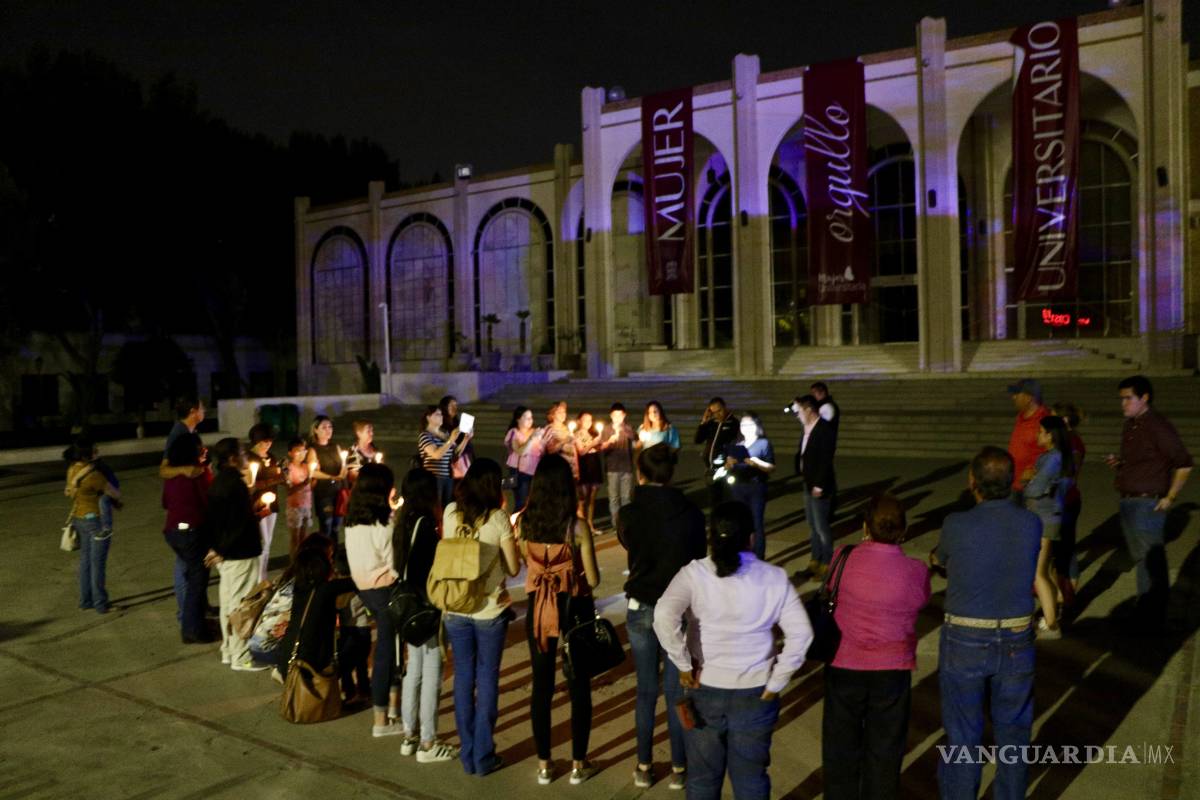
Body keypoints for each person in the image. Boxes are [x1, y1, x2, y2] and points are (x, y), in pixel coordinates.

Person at [654, 501, 813, 800]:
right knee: (751, 780)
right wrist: (777, 681)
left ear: (710, 536)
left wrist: (684, 664)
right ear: (751, 538)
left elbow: (663, 616)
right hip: (755, 692)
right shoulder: (774, 577)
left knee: (702, 780)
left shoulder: (693, 574)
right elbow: (801, 634)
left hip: (704, 687)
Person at [931, 447, 1041, 800]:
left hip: (965, 635)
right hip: (1016, 635)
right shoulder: (1030, 522)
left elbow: (941, 559)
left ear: (972, 481)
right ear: (1011, 483)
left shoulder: (956, 523)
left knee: (963, 734)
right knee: (1014, 735)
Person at [822, 494, 930, 800]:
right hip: (892, 668)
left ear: (866, 526)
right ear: (903, 530)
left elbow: (831, 590)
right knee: (885, 750)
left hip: (844, 662)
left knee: (840, 748)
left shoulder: (843, 555)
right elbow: (920, 601)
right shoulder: (916, 570)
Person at [618, 443, 707, 790]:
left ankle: (643, 764)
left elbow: (630, 545)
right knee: (675, 691)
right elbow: (698, 557)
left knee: (645, 690)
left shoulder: (629, 514)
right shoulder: (691, 513)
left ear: (641, 473)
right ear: (670, 473)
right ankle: (679, 768)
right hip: (677, 607)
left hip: (641, 604)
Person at [519, 455, 602, 785]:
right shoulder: (577, 527)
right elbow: (593, 579)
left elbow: (527, 565)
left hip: (539, 607)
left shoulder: (525, 523)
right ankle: (579, 764)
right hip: (574, 609)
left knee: (542, 687)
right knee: (579, 686)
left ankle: (544, 763)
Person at [442, 458, 520, 776]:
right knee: (487, 678)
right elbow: (514, 568)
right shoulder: (499, 518)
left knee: (463, 677)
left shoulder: (450, 512)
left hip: (455, 606)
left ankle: (468, 753)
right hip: (489, 608)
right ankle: (483, 755)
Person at [1105, 375, 1193, 631]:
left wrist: (1170, 497)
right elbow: (1144, 461)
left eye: (1128, 398)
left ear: (1145, 398)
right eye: (1121, 398)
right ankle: (1144, 613)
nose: (1123, 404)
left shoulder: (1157, 426)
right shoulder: (1132, 425)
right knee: (1142, 560)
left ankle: (1152, 619)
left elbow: (1184, 462)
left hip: (1147, 503)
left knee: (1151, 561)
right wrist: (1120, 464)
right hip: (1129, 501)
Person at [394, 468, 457, 763]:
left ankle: (410, 736)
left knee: (414, 670)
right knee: (432, 672)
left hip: (407, 606)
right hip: (424, 605)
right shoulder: (425, 522)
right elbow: (426, 568)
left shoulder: (403, 519)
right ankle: (429, 742)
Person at [344, 462, 404, 737]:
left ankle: (393, 708)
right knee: (386, 653)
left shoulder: (353, 519)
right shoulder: (384, 524)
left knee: (391, 648)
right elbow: (395, 565)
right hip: (385, 590)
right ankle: (381, 719)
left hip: (364, 588)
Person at [205, 437, 268, 672]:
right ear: (232, 459)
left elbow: (216, 521)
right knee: (242, 605)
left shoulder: (217, 483)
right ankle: (240, 656)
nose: (246, 457)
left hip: (227, 554)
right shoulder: (235, 485)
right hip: (239, 553)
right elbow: (238, 524)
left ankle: (228, 650)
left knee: (228, 603)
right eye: (242, 453)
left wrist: (216, 548)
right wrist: (221, 549)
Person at [275, 539, 357, 694]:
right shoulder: (325, 590)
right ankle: (348, 690)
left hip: (288, 661)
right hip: (307, 665)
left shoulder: (300, 588)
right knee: (357, 644)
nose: (332, 563)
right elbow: (357, 582)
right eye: (330, 560)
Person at [1024, 416, 1074, 639]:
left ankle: (1051, 624)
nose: (1038, 435)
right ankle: (1055, 608)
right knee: (1047, 569)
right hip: (1050, 517)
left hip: (1043, 519)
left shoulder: (1053, 458)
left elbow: (1034, 490)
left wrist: (1028, 480)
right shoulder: (1058, 457)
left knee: (1038, 573)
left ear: (1050, 434)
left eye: (1041, 431)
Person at [162, 432, 214, 643]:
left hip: (173, 531)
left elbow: (165, 503)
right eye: (201, 448)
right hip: (192, 533)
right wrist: (207, 472)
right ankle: (191, 630)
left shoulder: (173, 476)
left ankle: (194, 622)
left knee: (190, 577)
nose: (204, 451)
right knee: (196, 582)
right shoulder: (198, 475)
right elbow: (210, 500)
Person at [65, 438, 121, 615]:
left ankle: (85, 600)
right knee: (98, 564)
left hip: (79, 518)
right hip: (96, 520)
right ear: (88, 454)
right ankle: (101, 603)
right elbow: (115, 492)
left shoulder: (73, 470)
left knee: (86, 561)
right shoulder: (93, 476)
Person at [793, 395, 837, 578]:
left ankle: (827, 562)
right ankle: (815, 560)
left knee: (821, 527)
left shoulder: (824, 429)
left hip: (820, 485)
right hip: (807, 482)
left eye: (800, 411)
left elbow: (825, 460)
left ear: (809, 410)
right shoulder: (807, 428)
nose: (798, 415)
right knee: (812, 525)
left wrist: (818, 484)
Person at [723, 412, 776, 560]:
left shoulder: (763, 443)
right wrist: (729, 463)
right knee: (741, 522)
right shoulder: (738, 445)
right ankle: (743, 554)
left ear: (757, 426)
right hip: (738, 487)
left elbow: (771, 466)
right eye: (743, 424)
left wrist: (756, 462)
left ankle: (759, 557)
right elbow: (727, 466)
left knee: (756, 523)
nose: (745, 427)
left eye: (749, 424)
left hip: (756, 487)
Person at [1052, 402, 1085, 602]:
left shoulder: (1072, 443)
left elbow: (1068, 473)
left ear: (1064, 420)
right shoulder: (1067, 441)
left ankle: (1067, 594)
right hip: (1065, 499)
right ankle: (1067, 592)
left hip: (1065, 501)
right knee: (1066, 546)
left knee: (1064, 549)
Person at [246, 423, 283, 584]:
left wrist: (282, 476)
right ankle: (258, 578)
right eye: (264, 441)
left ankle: (263, 576)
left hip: (271, 503)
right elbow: (251, 484)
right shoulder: (249, 458)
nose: (267, 444)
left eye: (270, 441)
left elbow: (277, 477)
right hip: (257, 505)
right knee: (262, 542)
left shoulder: (271, 457)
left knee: (268, 542)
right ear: (256, 441)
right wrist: (273, 480)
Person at [307, 415, 348, 543]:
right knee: (326, 526)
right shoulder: (313, 450)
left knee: (336, 526)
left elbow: (343, 464)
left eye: (330, 427)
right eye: (324, 427)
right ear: (315, 430)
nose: (328, 430)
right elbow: (312, 472)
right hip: (324, 492)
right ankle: (324, 554)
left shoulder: (336, 447)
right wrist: (331, 477)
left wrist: (342, 473)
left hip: (339, 491)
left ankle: (333, 554)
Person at [1006, 378, 1050, 495]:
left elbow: (1053, 455)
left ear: (1029, 398)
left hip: (1031, 487)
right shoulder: (1021, 417)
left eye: (1017, 394)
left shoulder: (1045, 421)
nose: (1013, 397)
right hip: (1015, 484)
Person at [694, 397, 738, 509]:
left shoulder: (734, 423)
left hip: (725, 467)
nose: (717, 415)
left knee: (726, 499)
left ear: (725, 407)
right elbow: (697, 440)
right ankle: (714, 524)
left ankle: (727, 523)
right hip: (711, 468)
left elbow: (736, 443)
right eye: (714, 412)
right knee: (714, 500)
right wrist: (704, 422)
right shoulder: (711, 423)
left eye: (719, 411)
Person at [599, 402, 635, 531]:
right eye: (615, 415)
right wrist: (609, 442)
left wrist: (624, 430)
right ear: (611, 416)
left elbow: (634, 437)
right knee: (614, 497)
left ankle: (626, 522)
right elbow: (601, 447)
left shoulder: (628, 428)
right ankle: (616, 523)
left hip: (626, 467)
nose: (617, 418)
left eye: (620, 415)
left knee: (626, 497)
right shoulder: (607, 429)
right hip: (612, 467)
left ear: (624, 415)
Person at [419, 405, 463, 507]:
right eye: (437, 414)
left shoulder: (445, 433)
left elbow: (455, 453)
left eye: (441, 414)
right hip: (434, 477)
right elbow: (436, 455)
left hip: (448, 477)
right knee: (436, 507)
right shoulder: (425, 435)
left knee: (448, 507)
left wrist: (465, 439)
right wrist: (451, 440)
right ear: (428, 417)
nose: (441, 416)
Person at [504, 406, 543, 512]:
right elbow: (520, 451)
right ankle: (516, 524)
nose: (530, 420)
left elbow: (541, 451)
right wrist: (531, 439)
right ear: (518, 419)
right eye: (527, 417)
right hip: (520, 473)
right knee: (521, 502)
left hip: (535, 472)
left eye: (531, 417)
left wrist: (544, 442)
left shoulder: (535, 432)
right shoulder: (514, 433)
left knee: (533, 501)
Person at [159, 397, 206, 479]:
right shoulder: (179, 433)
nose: (204, 410)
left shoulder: (190, 430)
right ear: (192, 411)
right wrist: (184, 469)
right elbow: (163, 471)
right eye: (201, 408)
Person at [284, 437, 314, 558]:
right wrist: (305, 483)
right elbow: (289, 490)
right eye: (298, 451)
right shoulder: (288, 468)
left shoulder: (306, 466)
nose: (302, 454)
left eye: (304, 451)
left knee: (304, 537)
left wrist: (312, 481)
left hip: (306, 505)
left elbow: (311, 486)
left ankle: (302, 561)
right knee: (295, 538)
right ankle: (293, 563)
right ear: (290, 453)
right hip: (294, 506)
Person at [574, 411, 604, 530]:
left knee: (592, 498)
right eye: (585, 420)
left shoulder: (594, 433)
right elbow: (581, 451)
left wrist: (601, 443)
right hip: (584, 466)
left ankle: (590, 523)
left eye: (590, 420)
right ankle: (582, 525)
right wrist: (593, 443)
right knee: (583, 498)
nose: (588, 422)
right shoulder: (576, 435)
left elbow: (599, 448)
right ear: (579, 421)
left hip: (594, 465)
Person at [440, 395, 475, 481]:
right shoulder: (442, 427)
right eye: (451, 405)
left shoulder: (457, 422)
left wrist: (468, 437)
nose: (455, 408)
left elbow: (463, 442)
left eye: (456, 405)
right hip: (452, 464)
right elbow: (452, 450)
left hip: (463, 459)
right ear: (444, 407)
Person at [542, 401, 578, 479]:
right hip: (557, 468)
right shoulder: (549, 429)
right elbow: (550, 450)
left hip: (570, 469)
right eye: (559, 412)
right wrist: (564, 441)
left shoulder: (567, 428)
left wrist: (577, 468)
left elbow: (573, 449)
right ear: (552, 415)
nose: (563, 414)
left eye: (564, 412)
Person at [810, 381, 841, 449]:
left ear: (823, 392)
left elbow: (819, 425)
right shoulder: (822, 405)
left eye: (814, 393)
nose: (813, 396)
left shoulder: (827, 406)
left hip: (824, 444)